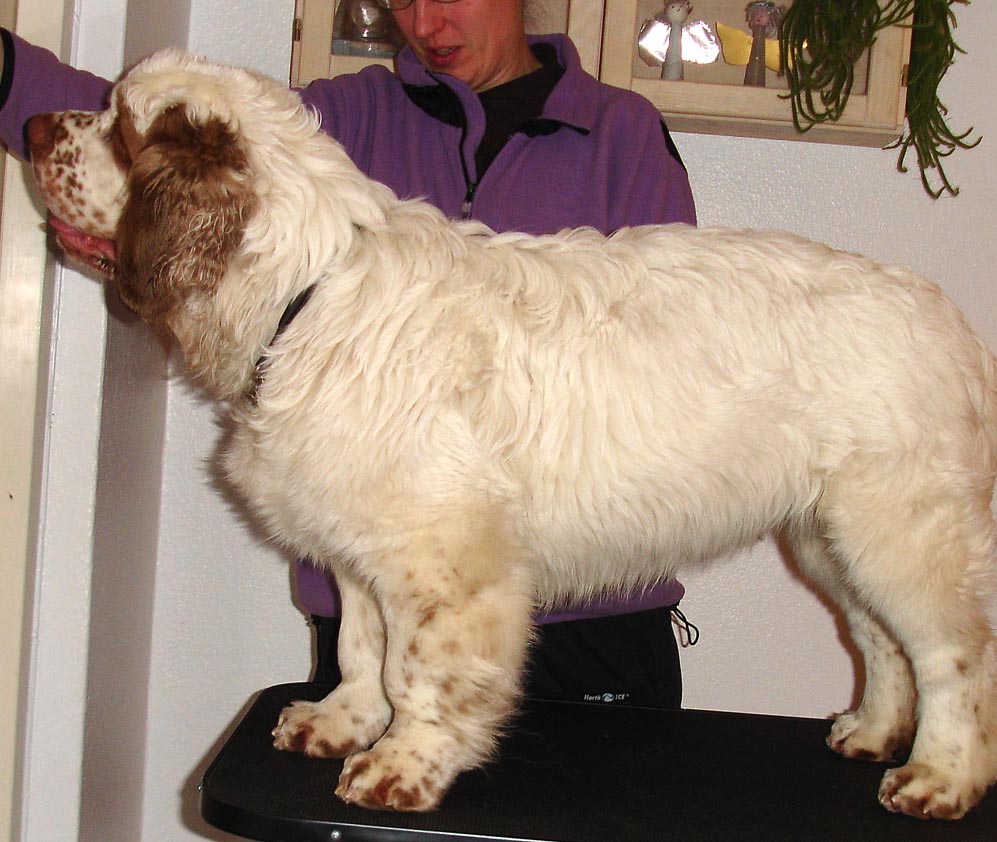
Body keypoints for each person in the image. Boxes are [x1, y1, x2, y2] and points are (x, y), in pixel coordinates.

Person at [0, 0, 697, 708]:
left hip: (593, 630)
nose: (424, 25)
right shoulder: (347, 118)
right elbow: (155, 138)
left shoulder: (621, 134)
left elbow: (664, 381)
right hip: (379, 627)